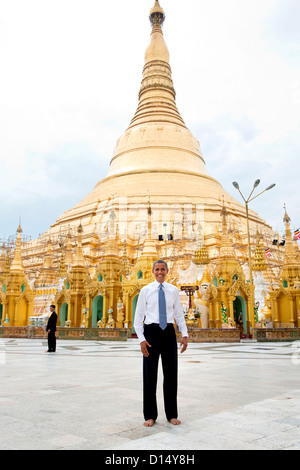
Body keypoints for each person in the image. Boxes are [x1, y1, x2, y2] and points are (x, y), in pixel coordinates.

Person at [134, 260, 188, 427]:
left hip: (168, 333)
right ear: (152, 271)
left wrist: (184, 334)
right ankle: (150, 415)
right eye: (157, 269)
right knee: (150, 375)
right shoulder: (145, 290)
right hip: (150, 332)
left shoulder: (173, 290)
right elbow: (138, 317)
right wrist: (142, 339)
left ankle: (172, 414)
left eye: (162, 269)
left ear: (167, 271)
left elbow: (178, 314)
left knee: (171, 374)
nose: (160, 272)